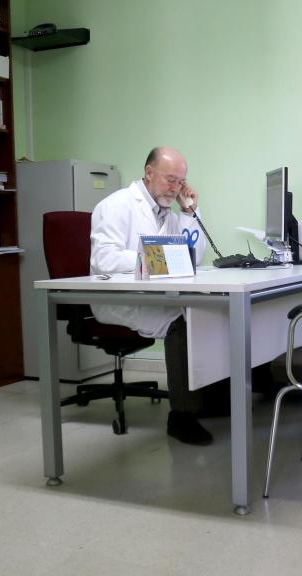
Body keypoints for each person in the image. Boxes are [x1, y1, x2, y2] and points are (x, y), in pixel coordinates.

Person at [90, 147, 213, 445]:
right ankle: (181, 416)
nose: (176, 188)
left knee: (207, 313)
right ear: (148, 172)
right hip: (118, 299)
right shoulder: (116, 205)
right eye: (171, 180)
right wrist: (153, 257)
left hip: (153, 295)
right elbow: (103, 259)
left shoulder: (168, 213)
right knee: (181, 321)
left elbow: (193, 255)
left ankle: (210, 400)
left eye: (181, 182)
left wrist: (188, 212)